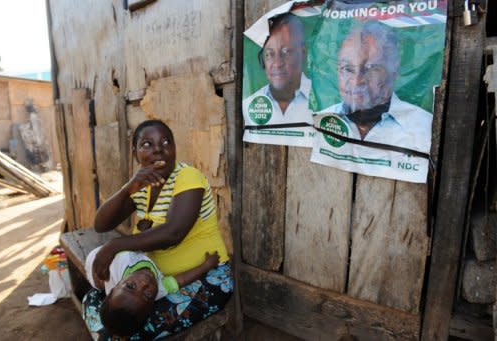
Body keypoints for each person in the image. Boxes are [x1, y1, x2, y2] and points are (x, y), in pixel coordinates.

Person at [83, 119, 233, 340]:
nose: (158, 150)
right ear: (135, 153)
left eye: (166, 142)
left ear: (173, 148)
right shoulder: (142, 186)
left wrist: (115, 245)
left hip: (205, 279)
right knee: (93, 300)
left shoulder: (187, 177)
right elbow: (101, 224)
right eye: (147, 144)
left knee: (125, 332)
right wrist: (128, 188)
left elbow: (174, 232)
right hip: (152, 286)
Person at [322, 20, 432, 152]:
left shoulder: (423, 127)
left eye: (371, 69)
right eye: (347, 69)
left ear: (394, 71)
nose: (356, 82)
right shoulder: (321, 121)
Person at [84, 246, 219, 337]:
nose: (144, 283)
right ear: (153, 305)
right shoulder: (159, 290)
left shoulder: (119, 264)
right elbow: (181, 280)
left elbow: (122, 246)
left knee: (98, 282)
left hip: (95, 261)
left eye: (131, 286)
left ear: (117, 285)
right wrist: (206, 266)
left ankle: (99, 286)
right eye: (147, 295)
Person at [242, 12, 314, 146]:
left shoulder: (321, 103)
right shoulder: (249, 105)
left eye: (286, 52)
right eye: (269, 54)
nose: (277, 63)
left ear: (302, 54)